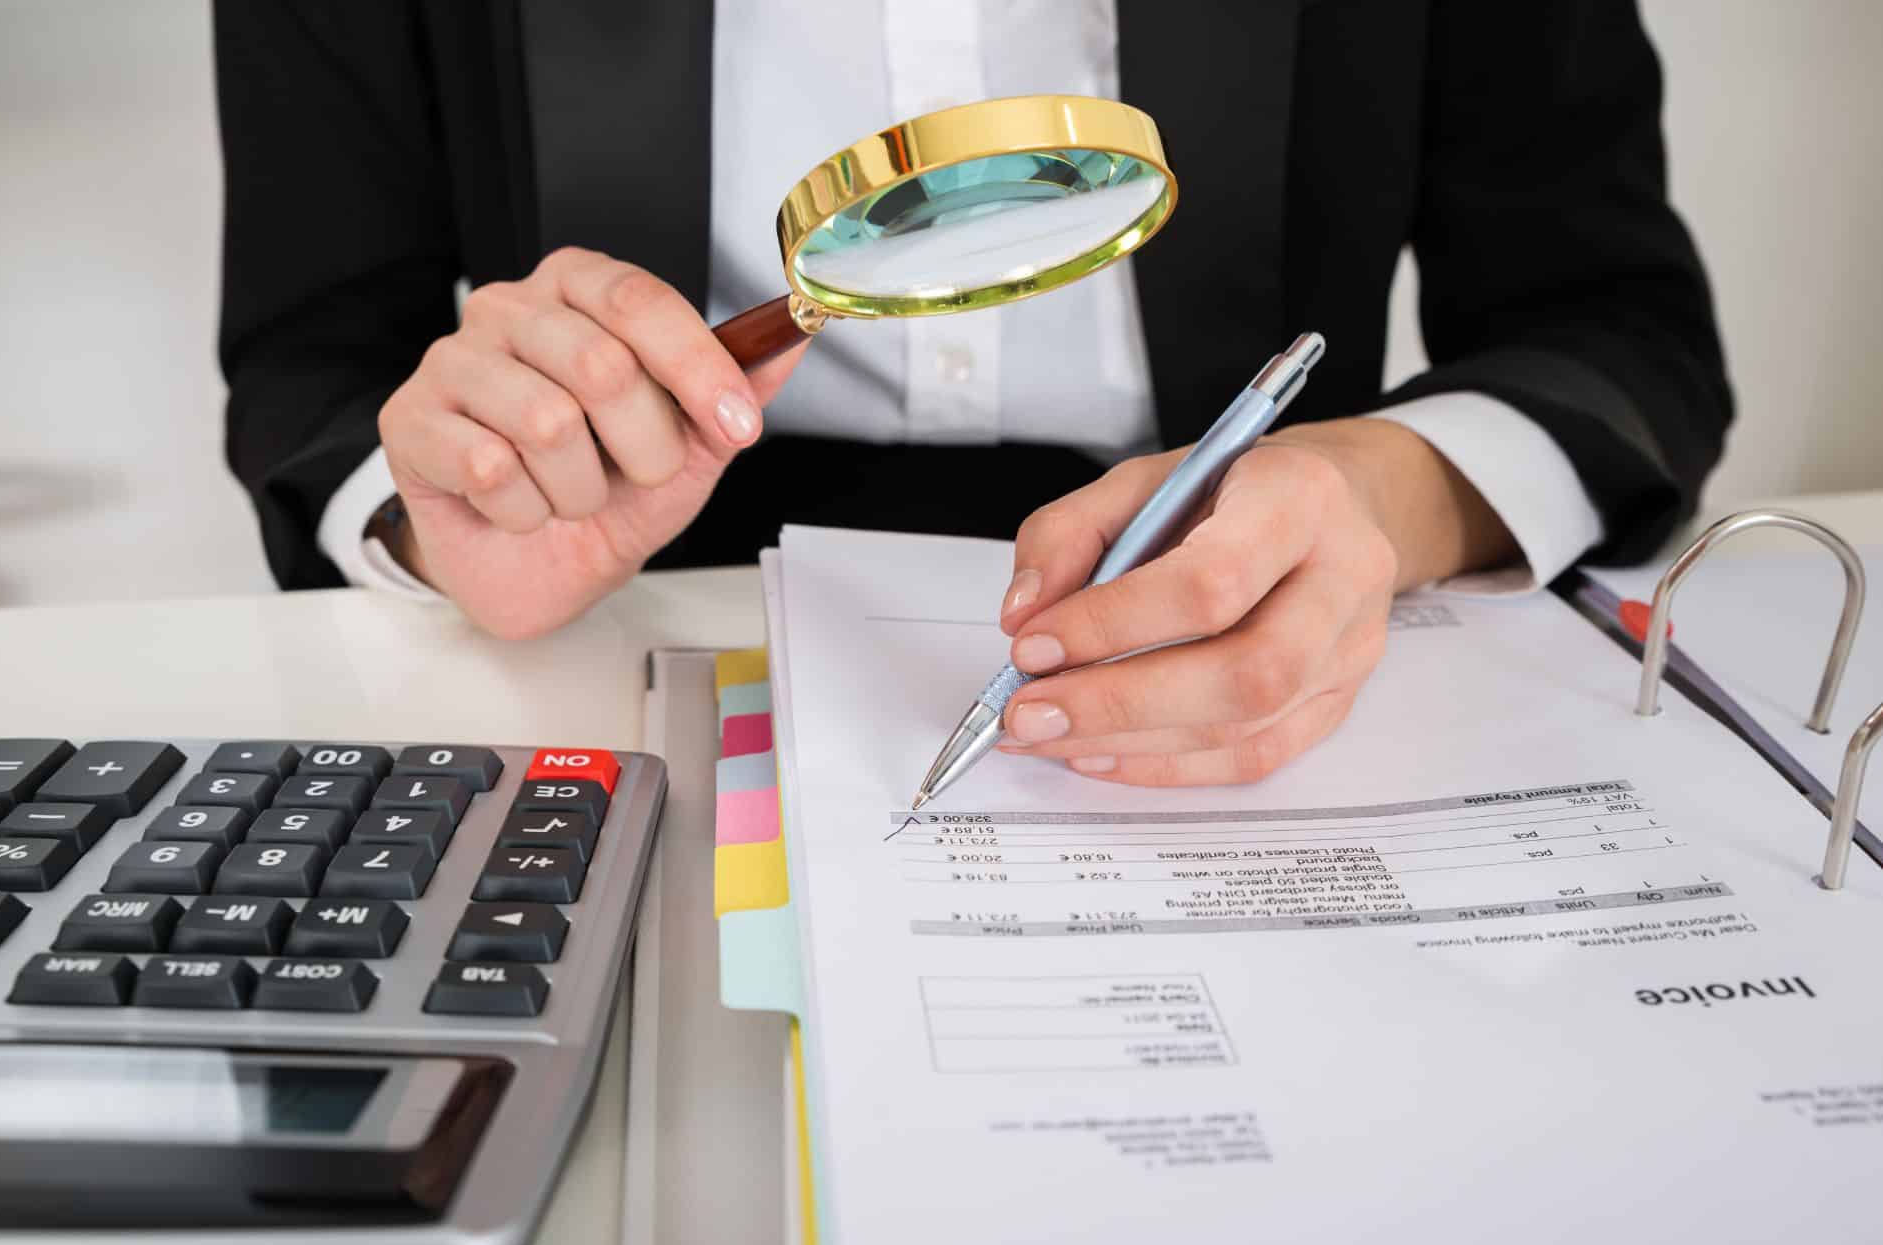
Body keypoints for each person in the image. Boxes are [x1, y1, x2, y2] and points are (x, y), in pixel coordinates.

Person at [214, 1, 1730, 789]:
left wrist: (1381, 496)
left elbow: (1614, 333)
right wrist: (450, 512)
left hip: (1247, 572)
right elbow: (315, 361)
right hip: (619, 626)